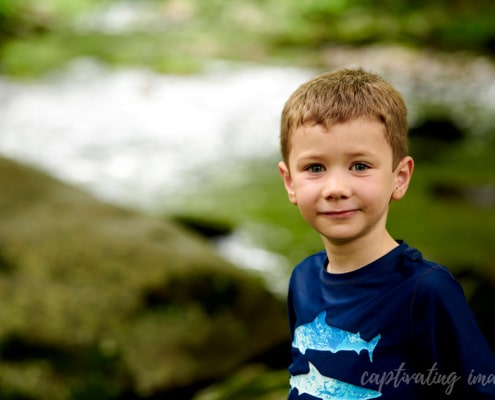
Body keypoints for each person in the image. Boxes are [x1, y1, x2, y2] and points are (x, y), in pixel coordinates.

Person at [277, 68, 495, 399]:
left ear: (400, 177)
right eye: (315, 168)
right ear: (290, 182)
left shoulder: (426, 292)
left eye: (360, 166)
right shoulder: (302, 279)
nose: (336, 188)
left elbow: (478, 390)